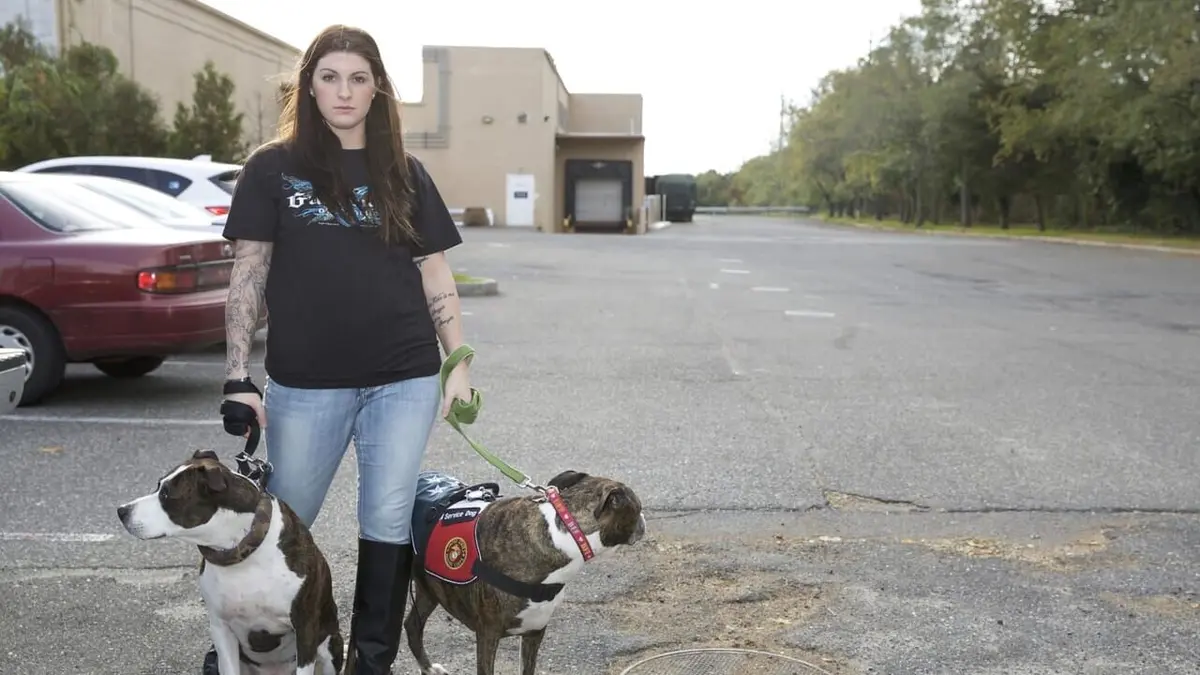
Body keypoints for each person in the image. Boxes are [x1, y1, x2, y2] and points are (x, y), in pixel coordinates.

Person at [204, 24, 473, 675]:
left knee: (385, 516)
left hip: (403, 378)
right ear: (310, 86)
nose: (344, 91)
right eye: (330, 77)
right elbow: (249, 275)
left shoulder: (404, 173)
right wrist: (238, 376)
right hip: (306, 383)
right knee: (281, 520)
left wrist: (458, 363)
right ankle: (251, 650)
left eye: (358, 77)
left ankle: (370, 662)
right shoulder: (272, 168)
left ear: (377, 87)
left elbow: (435, 272)